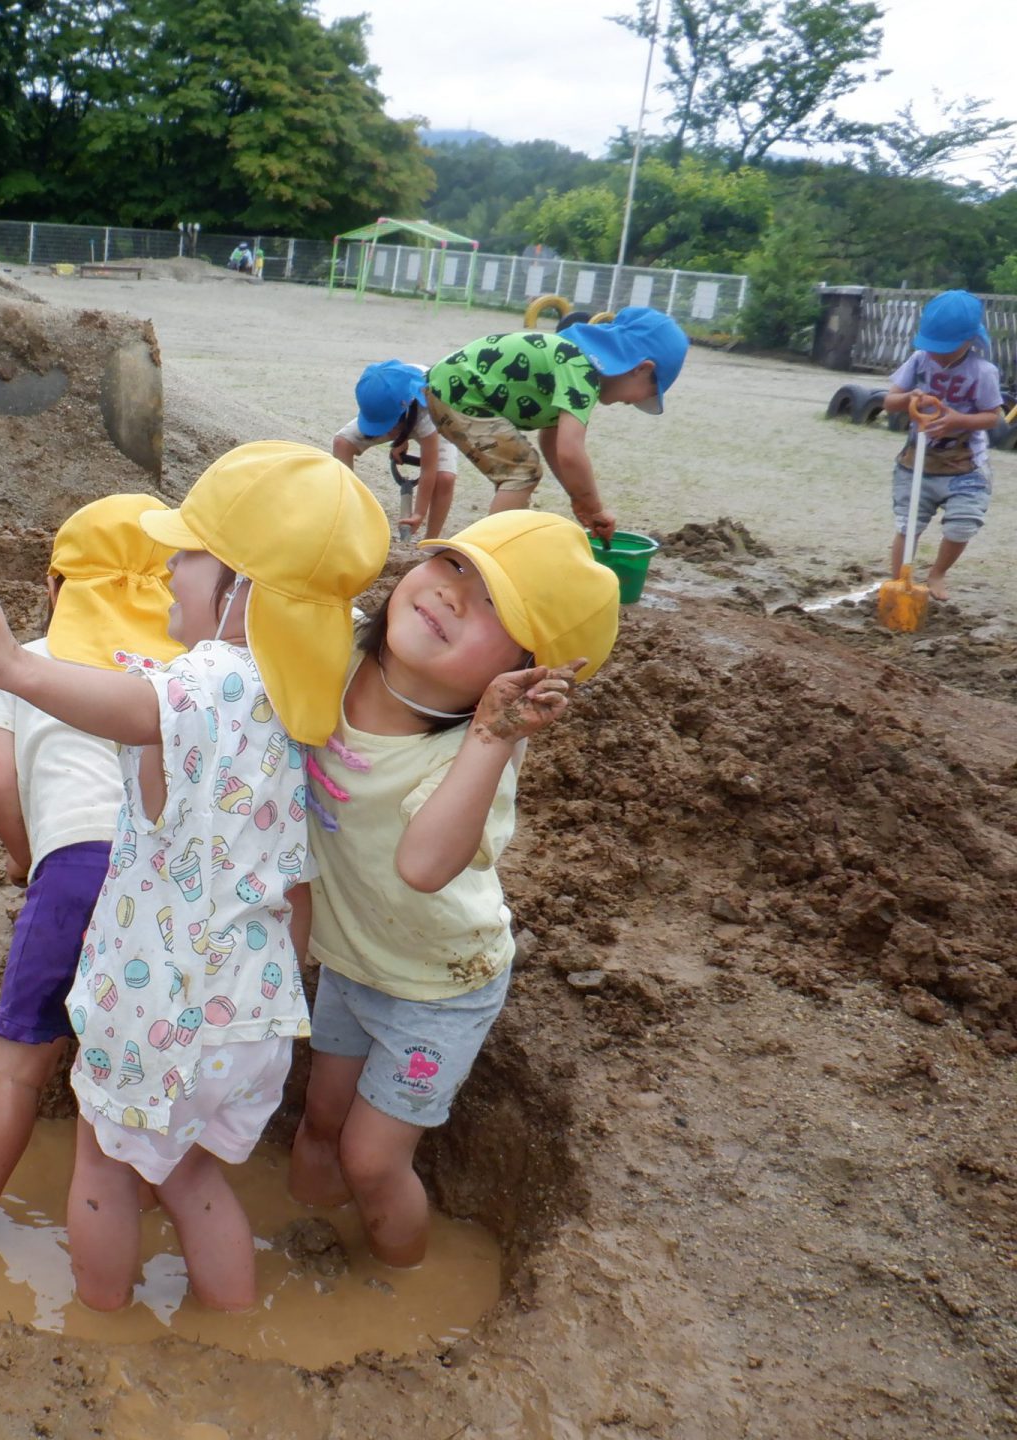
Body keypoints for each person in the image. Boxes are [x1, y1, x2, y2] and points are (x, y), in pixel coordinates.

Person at [0, 442, 390, 1313]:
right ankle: (232, 1328)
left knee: (103, 1167)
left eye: (188, 555)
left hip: (158, 1001)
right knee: (194, 1179)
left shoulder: (212, 676)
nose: (167, 569)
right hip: (251, 1009)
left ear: (245, 589)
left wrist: (10, 664)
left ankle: (103, 1329)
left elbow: (139, 708)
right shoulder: (305, 696)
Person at [287, 512, 618, 1268]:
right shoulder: (341, 653)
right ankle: (297, 1244)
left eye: (498, 606)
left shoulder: (474, 756)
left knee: (373, 1160)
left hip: (438, 984)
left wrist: (493, 737)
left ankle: (395, 1287)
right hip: (352, 959)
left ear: (530, 673)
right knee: (318, 1120)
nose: (453, 594)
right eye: (455, 564)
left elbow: (424, 866)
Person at [0, 494, 183, 1242]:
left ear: (53, 587)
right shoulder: (182, 673)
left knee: (15, 1072)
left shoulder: (30, 661)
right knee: (141, 1080)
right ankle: (146, 1231)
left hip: (75, 870)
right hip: (165, 886)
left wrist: (24, 859)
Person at [425, 307, 690, 539]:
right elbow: (570, 452)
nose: (634, 403)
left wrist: (578, 497)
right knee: (521, 473)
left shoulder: (573, 362)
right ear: (642, 368)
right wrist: (595, 508)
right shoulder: (582, 373)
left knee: (521, 472)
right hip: (459, 392)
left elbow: (552, 441)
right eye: (650, 393)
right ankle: (484, 553)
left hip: (451, 386)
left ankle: (501, 544)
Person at [879, 290, 1003, 602]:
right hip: (916, 462)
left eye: (946, 348)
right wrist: (908, 399)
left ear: (970, 340)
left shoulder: (983, 372)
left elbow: (992, 417)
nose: (938, 354)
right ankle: (900, 580)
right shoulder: (919, 362)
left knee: (963, 524)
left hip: (965, 467)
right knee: (908, 524)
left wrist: (958, 420)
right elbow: (889, 401)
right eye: (933, 346)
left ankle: (937, 573)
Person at [331, 359, 458, 540]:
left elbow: (429, 467)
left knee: (444, 478)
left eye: (389, 428)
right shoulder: (377, 389)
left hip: (437, 414)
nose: (387, 434)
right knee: (342, 443)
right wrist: (400, 439)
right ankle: (345, 512)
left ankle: (430, 541)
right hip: (400, 410)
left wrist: (419, 513)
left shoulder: (429, 410)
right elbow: (395, 419)